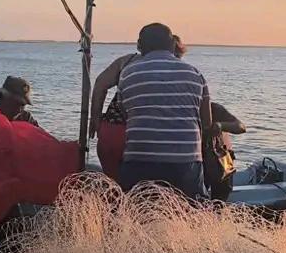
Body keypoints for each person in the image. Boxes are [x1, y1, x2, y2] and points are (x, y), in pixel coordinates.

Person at [116, 23, 211, 198]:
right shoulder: (194, 74)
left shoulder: (128, 74)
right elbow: (207, 122)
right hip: (186, 163)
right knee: (191, 212)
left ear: (139, 46)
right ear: (173, 45)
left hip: (140, 160)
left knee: (135, 212)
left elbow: (125, 113)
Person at [89, 35, 188, 180]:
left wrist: (95, 118)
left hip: (112, 130)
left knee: (115, 185)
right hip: (147, 139)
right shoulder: (179, 71)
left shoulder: (127, 61)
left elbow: (100, 84)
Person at [205, 102, 246, 202]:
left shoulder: (214, 108)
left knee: (220, 199)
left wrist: (220, 125)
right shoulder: (185, 111)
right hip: (199, 161)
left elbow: (240, 127)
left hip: (221, 161)